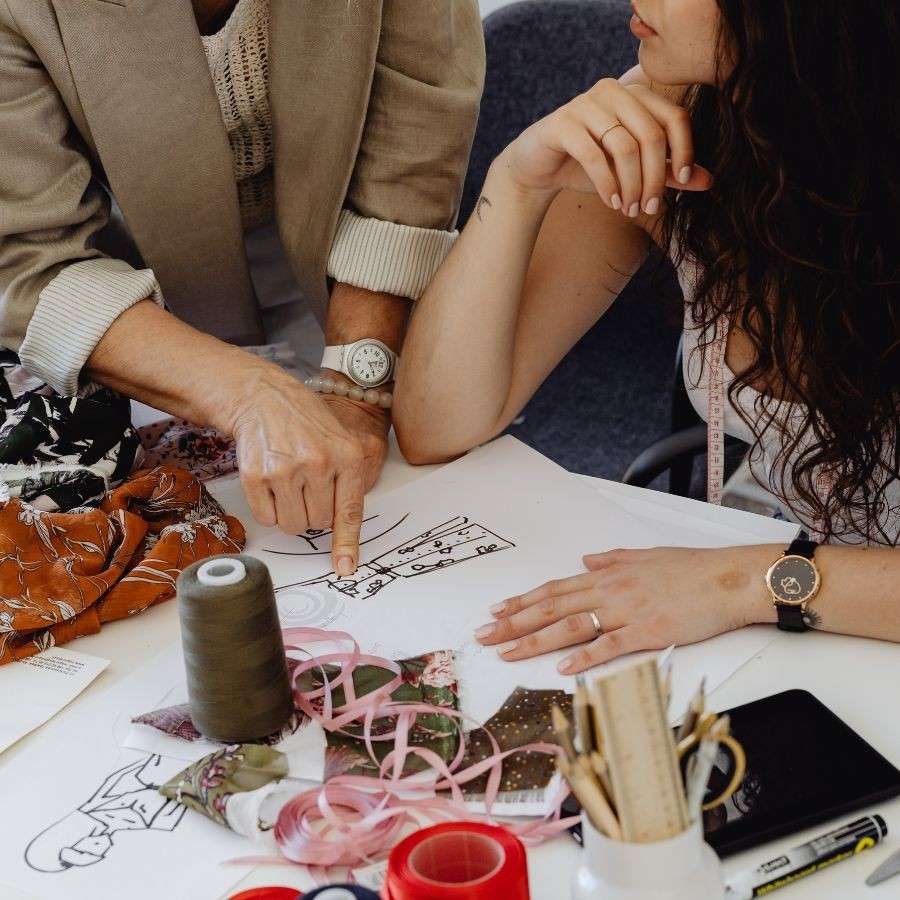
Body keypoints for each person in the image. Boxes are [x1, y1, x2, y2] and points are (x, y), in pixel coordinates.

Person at [394, 0, 900, 673]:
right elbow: (437, 426)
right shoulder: (677, 112)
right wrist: (517, 182)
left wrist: (739, 583)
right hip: (800, 595)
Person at [0, 0, 484, 575]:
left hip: (355, 252)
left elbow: (413, 148)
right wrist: (252, 393)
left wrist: (356, 383)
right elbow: (30, 254)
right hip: (127, 286)